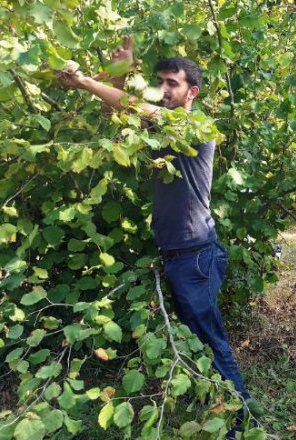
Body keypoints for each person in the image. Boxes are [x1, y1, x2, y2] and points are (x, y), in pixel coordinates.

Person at [56, 38, 256, 436]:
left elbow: (138, 107)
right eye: (160, 81)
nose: (165, 90)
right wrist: (123, 74)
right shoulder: (165, 126)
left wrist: (85, 83)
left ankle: (242, 423)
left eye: (173, 84)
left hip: (194, 255)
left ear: (192, 92)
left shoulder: (196, 126)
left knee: (211, 342)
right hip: (182, 253)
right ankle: (220, 409)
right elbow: (131, 112)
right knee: (202, 341)